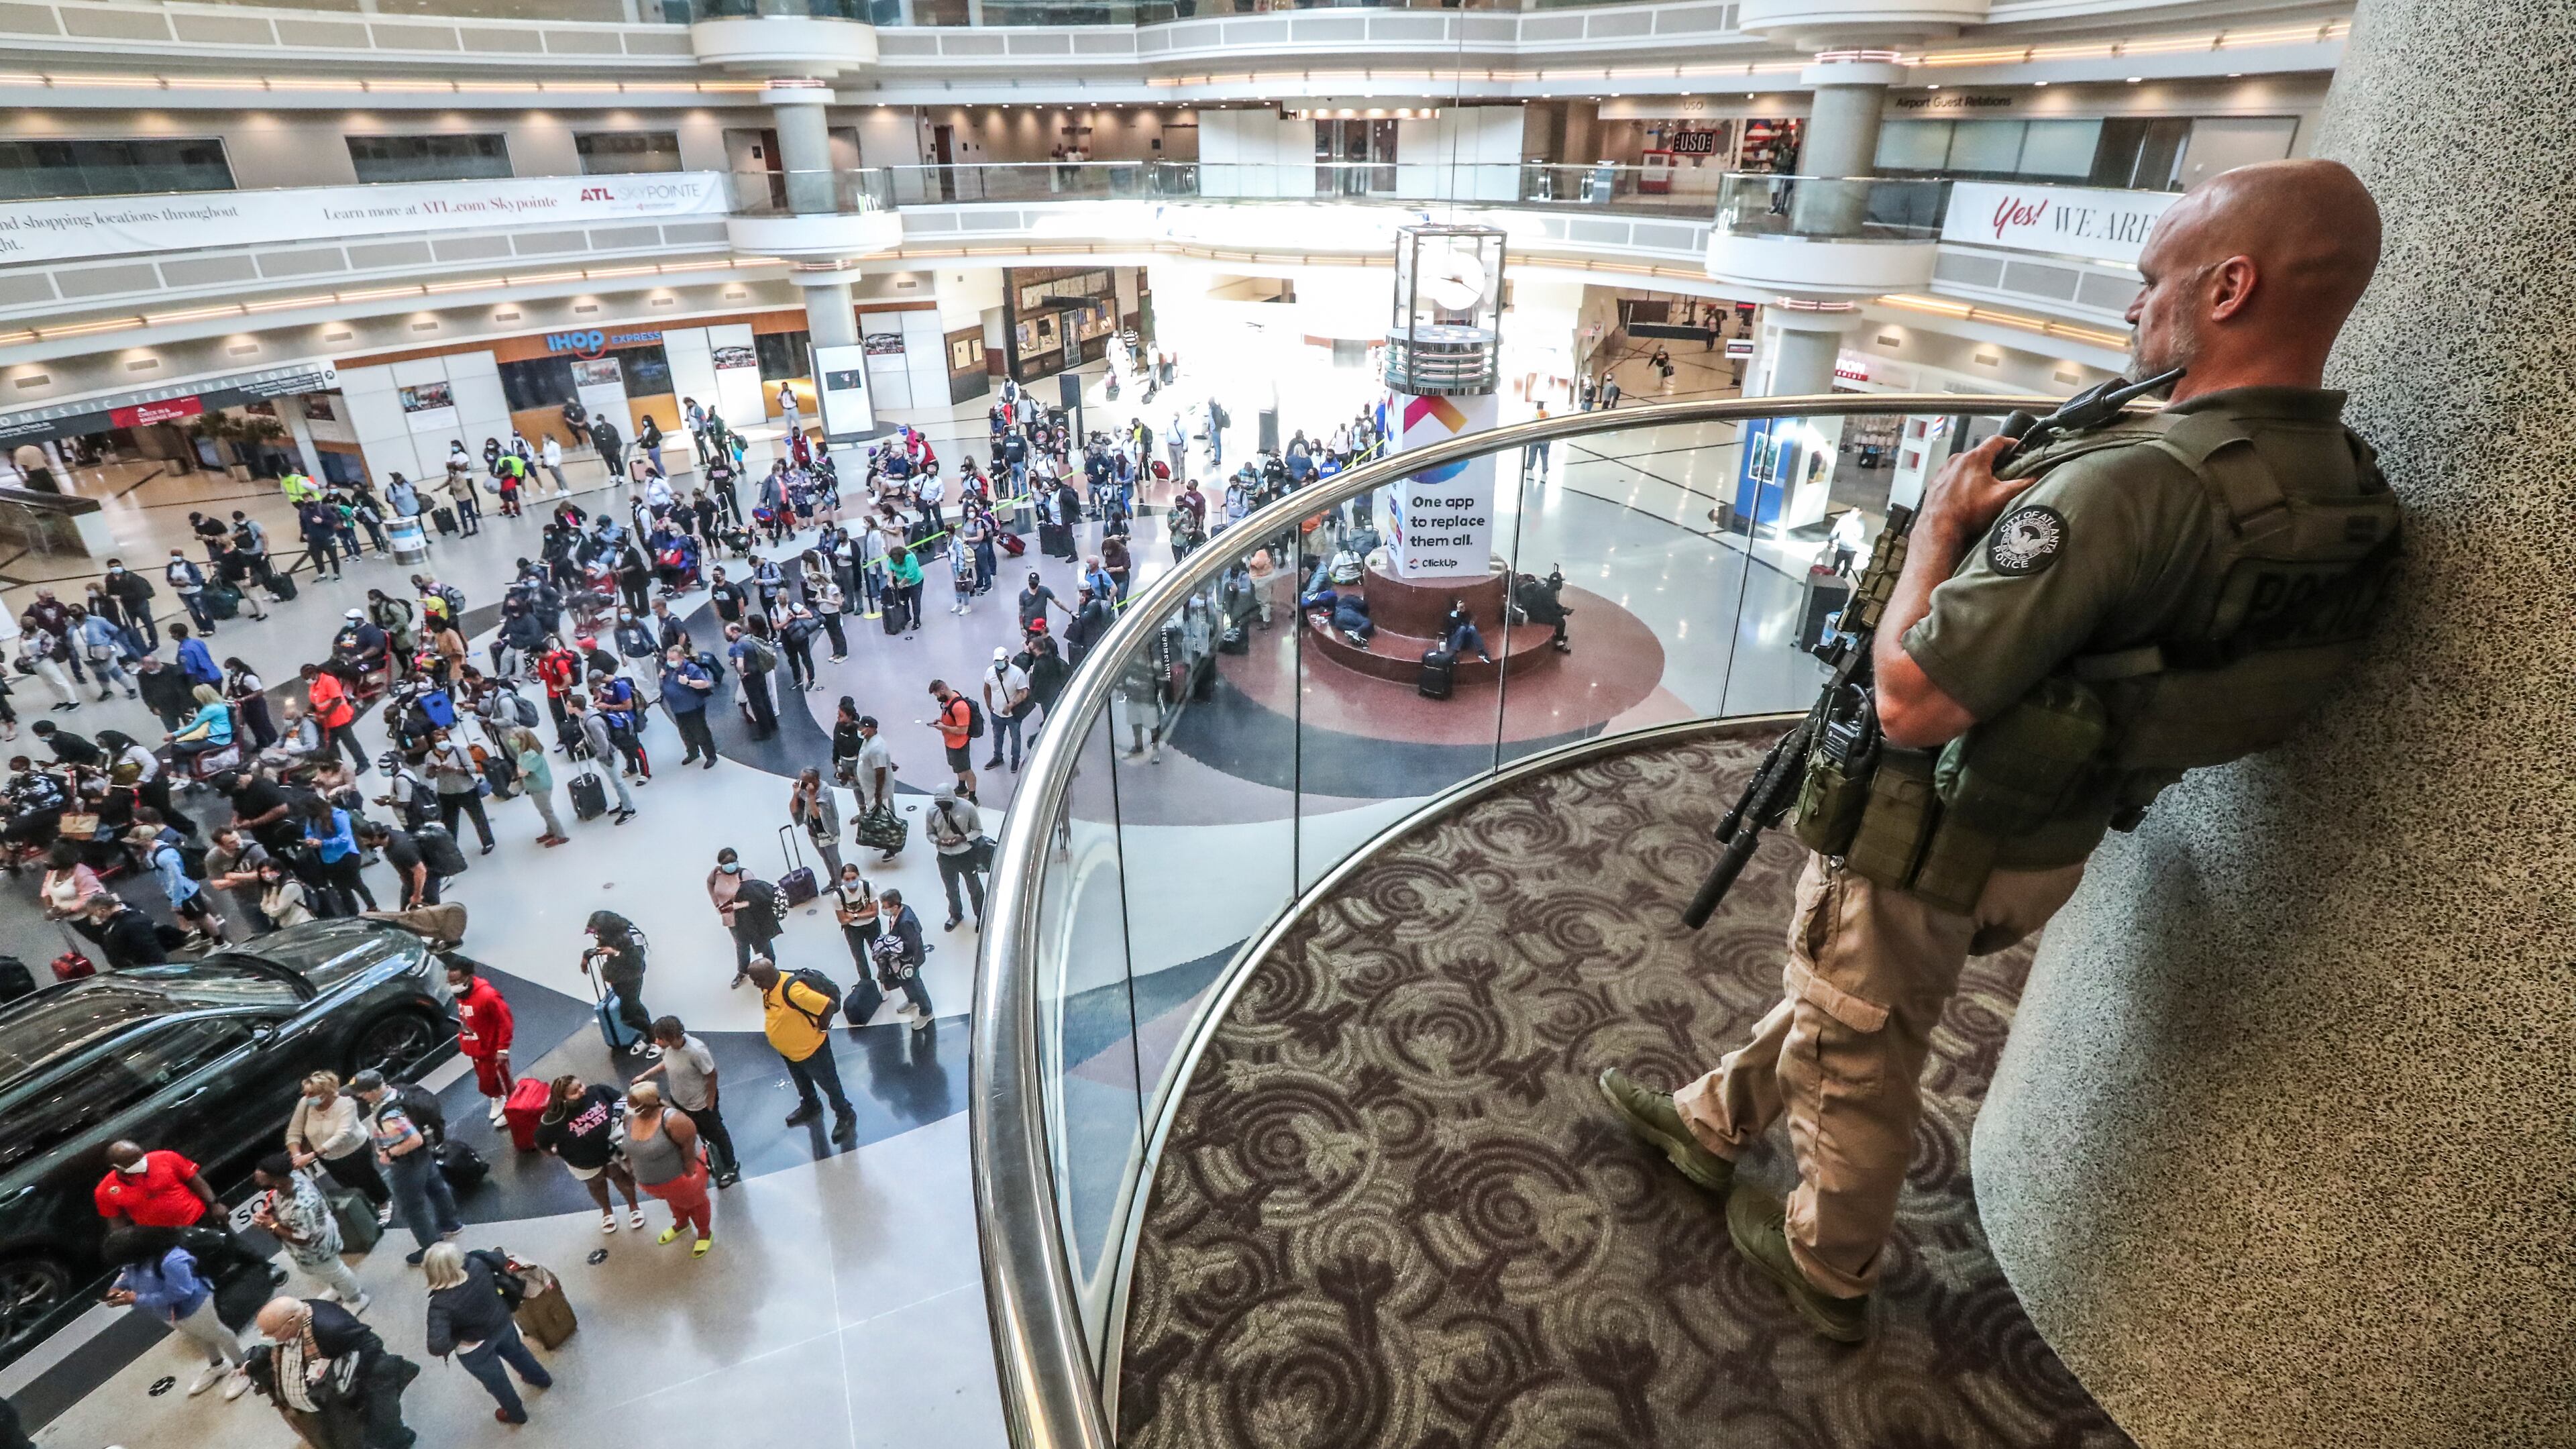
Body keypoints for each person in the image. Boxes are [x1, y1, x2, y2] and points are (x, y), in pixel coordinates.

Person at [1597, 158, 2398, 1344]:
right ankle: (1713, 1119)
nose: (2135, 308)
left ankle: (1830, 1258)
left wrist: (1935, 532)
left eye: (2153, 281)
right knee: (1852, 1008)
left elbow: (1916, 697)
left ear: (2230, 288)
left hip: (1930, 832)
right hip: (2050, 833)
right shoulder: (2333, 485)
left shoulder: (2134, 485)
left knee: (1863, 1041)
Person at [246, 1295, 417, 1449]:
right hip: (322, 1406)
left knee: (382, 1427)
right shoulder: (298, 1316)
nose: (271, 1339)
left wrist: (344, 1381)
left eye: (271, 1333)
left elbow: (372, 1346)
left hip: (362, 1389)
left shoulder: (331, 1328)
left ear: (290, 1323)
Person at [103, 1226, 250, 1399]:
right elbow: (126, 1274)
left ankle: (243, 1367)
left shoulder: (172, 1260)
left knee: (218, 1333)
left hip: (195, 1306)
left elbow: (180, 1293)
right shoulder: (135, 1261)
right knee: (198, 1336)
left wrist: (137, 1299)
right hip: (169, 1313)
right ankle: (218, 1365)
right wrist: (116, 1288)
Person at [420, 1243, 552, 1426]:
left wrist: (459, 1337)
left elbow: (437, 1346)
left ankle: (516, 1414)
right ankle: (541, 1379)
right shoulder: (477, 1263)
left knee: (497, 1382)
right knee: (518, 1352)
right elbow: (500, 1257)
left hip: (475, 1348)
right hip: (502, 1321)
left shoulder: (440, 1305)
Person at [350, 1069, 461, 1265]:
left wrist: (389, 1154)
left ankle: (432, 1249)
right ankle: (450, 1224)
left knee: (412, 1208)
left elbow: (414, 1140)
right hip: (424, 1156)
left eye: (360, 1093)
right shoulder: (398, 1091)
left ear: (370, 1092)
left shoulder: (390, 1115)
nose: (359, 1097)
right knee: (436, 1188)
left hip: (407, 1164)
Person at [749, 956, 857, 1142]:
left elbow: (828, 1006)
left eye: (757, 980)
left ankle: (845, 1114)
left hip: (813, 1050)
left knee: (829, 1084)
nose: (756, 985)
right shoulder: (771, 985)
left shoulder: (794, 991)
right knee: (802, 1082)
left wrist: (822, 1028)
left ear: (767, 976)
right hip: (791, 1052)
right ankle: (810, 1104)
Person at [250, 1155, 368, 1313]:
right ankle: (337, 1289)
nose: (257, 1181)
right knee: (326, 1272)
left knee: (337, 1272)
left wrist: (271, 1224)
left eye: (261, 1180)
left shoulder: (302, 1204)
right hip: (310, 1243)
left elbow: (303, 1238)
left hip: (318, 1247)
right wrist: (269, 1213)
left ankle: (356, 1299)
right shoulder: (290, 1178)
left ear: (277, 1181)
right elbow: (279, 1203)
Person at [535, 1073, 647, 1234]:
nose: (582, 1091)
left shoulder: (597, 1092)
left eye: (581, 1085)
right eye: (574, 1091)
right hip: (583, 1162)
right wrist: (557, 1154)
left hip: (611, 1152)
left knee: (622, 1178)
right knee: (596, 1185)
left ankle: (633, 1206)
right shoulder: (553, 1118)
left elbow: (621, 1101)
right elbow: (542, 1142)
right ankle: (607, 1211)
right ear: (563, 1098)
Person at [643, 1016, 739, 1189]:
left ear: (671, 1038)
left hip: (700, 1104)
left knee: (717, 1133)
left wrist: (709, 1104)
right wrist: (646, 1075)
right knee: (698, 1134)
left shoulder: (696, 1051)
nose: (656, 1041)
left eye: (660, 1038)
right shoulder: (668, 1048)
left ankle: (730, 1165)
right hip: (680, 1100)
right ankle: (710, 1157)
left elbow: (711, 1075)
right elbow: (667, 1063)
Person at [621, 1081, 713, 1255]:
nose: (628, 1107)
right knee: (675, 1202)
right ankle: (681, 1223)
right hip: (655, 1183)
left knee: (696, 1204)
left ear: (646, 1104)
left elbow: (689, 1148)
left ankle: (704, 1233)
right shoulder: (630, 1118)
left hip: (680, 1179)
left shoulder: (674, 1121)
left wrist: (690, 1177)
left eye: (632, 1103)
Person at [286, 1071, 390, 1222]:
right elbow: (294, 1132)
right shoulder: (305, 1103)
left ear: (326, 1093)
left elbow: (341, 1135)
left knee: (368, 1179)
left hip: (355, 1149)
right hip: (329, 1157)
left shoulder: (347, 1104)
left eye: (312, 1093)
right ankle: (366, 1207)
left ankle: (384, 1203)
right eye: (306, 1093)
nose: (307, 1097)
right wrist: (297, 1155)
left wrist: (311, 1155)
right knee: (348, 1185)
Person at [445, 960, 515, 1126]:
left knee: (503, 1081)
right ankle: (497, 1099)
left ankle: (512, 1108)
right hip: (476, 1049)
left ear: (468, 977)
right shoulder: (462, 995)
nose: (453, 985)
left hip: (491, 1051)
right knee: (486, 1081)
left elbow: (505, 1022)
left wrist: (502, 1049)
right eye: (451, 982)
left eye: (457, 981)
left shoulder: (488, 996)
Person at [95, 1140, 223, 1229]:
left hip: (199, 1219)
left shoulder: (166, 1157)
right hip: (164, 1239)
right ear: (116, 1167)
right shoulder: (105, 1190)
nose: (141, 1163)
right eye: (133, 1162)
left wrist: (215, 1204)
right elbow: (116, 1221)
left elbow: (195, 1181)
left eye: (141, 1157)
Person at [582, 909, 655, 1055]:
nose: (598, 936)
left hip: (631, 978)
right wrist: (587, 956)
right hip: (618, 979)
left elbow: (637, 963)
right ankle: (652, 1035)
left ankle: (653, 1036)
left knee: (628, 1014)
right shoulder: (609, 933)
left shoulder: (633, 936)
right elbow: (602, 948)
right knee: (635, 1006)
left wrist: (615, 953)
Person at [708, 847, 781, 984]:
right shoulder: (716, 874)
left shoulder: (744, 875)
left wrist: (735, 906)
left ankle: (771, 967)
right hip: (732, 919)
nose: (730, 865)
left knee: (763, 942)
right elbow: (710, 884)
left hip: (751, 917)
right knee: (741, 945)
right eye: (726, 862)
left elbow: (757, 898)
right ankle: (742, 971)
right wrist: (717, 903)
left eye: (732, 861)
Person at [422, 727, 496, 854]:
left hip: (466, 790)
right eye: (439, 740)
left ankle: (487, 841)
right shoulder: (429, 756)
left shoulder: (459, 751)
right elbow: (429, 776)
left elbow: (472, 768)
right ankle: (452, 848)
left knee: (478, 818)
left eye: (444, 739)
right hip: (445, 793)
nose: (442, 742)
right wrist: (432, 770)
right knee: (449, 822)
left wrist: (454, 769)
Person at [924, 783, 986, 931]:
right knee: (951, 889)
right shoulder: (932, 811)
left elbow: (978, 830)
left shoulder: (967, 807)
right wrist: (938, 841)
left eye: (947, 804)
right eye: (940, 804)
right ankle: (955, 915)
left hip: (966, 855)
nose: (944, 807)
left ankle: (981, 915)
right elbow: (930, 833)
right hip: (945, 857)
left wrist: (963, 838)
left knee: (974, 888)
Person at [875, 887, 934, 1029]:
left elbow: (910, 945)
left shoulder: (906, 922)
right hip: (901, 961)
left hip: (909, 961)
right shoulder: (899, 912)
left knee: (915, 983)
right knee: (905, 982)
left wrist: (891, 949)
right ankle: (912, 999)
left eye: (885, 907)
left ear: (895, 907)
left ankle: (926, 1012)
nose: (883, 909)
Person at [502, 724, 569, 847]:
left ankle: (561, 836)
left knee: (547, 811)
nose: (511, 741)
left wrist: (517, 769)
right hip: (536, 785)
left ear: (522, 740)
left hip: (540, 787)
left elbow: (523, 772)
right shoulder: (525, 751)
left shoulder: (530, 755)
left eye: (513, 738)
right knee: (543, 811)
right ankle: (551, 831)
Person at [658, 644, 720, 769]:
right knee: (685, 732)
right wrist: (662, 676)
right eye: (668, 659)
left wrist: (688, 682)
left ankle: (711, 756)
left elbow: (705, 683)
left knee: (700, 732)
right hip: (677, 708)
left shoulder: (691, 668)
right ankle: (692, 753)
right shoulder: (668, 668)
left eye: (673, 659)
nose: (669, 661)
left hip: (693, 708)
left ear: (681, 658)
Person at [924, 678, 977, 802]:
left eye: (937, 694)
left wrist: (944, 727)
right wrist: (942, 722)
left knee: (966, 769)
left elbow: (963, 730)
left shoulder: (959, 706)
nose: (937, 697)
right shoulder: (947, 700)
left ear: (943, 689)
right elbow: (951, 718)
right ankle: (962, 787)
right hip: (950, 742)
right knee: (959, 768)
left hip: (959, 745)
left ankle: (973, 797)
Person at [982, 645, 1032, 773]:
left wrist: (1011, 705)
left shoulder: (1017, 673)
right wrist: (989, 705)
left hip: (1013, 715)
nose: (998, 663)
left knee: (1015, 738)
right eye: (996, 661)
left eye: (1001, 660)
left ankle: (1015, 760)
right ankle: (998, 757)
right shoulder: (990, 672)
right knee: (997, 737)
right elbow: (987, 687)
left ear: (1007, 659)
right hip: (996, 713)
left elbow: (1023, 692)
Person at [789, 767, 843, 881]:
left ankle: (840, 883)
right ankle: (833, 880)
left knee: (833, 858)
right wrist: (795, 794)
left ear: (814, 780)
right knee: (825, 857)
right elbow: (794, 810)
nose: (802, 783)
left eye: (804, 780)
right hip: (813, 831)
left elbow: (817, 815)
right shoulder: (804, 790)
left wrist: (812, 796)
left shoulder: (825, 791)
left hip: (827, 830)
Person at [849, 713, 896, 824]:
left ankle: (889, 838)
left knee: (886, 816)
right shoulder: (868, 739)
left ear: (870, 729)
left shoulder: (877, 748)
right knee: (877, 814)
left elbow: (881, 772)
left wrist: (878, 794)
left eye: (862, 728)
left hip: (880, 792)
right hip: (871, 788)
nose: (859, 730)